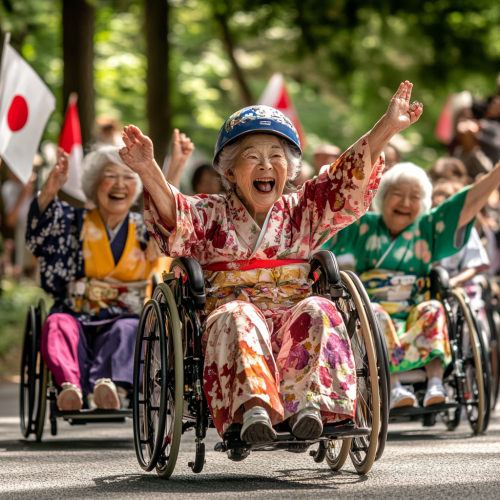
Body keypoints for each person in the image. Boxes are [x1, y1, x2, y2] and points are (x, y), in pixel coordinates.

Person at [118, 81, 423, 444]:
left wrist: (387, 127)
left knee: (321, 307)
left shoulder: (303, 210)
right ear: (229, 172)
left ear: (289, 170)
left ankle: (310, 408)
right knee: (240, 315)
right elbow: (176, 215)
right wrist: (148, 168)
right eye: (252, 157)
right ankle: (254, 410)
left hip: (291, 318)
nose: (266, 165)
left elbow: (344, 180)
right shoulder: (211, 213)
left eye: (276, 156)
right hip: (229, 320)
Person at [26, 143, 192, 412]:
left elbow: (167, 223)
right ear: (93, 183)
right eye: (110, 176)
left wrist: (175, 167)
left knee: (128, 330)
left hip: (125, 314)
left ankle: (109, 385)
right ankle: (70, 386)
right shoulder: (72, 222)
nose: (120, 184)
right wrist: (50, 189)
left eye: (128, 177)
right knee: (56, 325)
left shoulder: (143, 227)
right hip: (75, 312)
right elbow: (38, 237)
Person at [324, 158, 500, 409]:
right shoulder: (364, 225)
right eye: (397, 194)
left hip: (414, 310)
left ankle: (436, 383)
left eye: (414, 197)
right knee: (374, 315)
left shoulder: (429, 227)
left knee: (435, 309)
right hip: (374, 306)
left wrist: (496, 173)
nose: (406, 203)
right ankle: (394, 386)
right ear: (383, 197)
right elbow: (328, 223)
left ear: (423, 205)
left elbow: (466, 203)